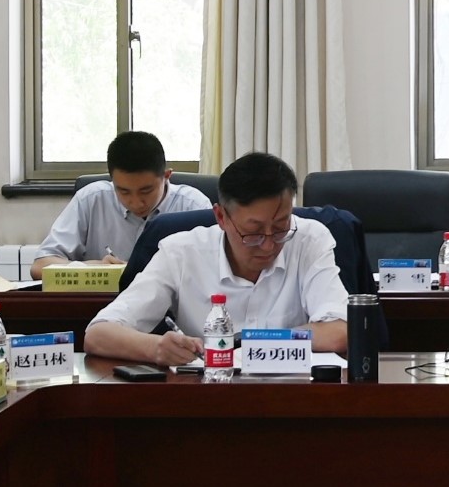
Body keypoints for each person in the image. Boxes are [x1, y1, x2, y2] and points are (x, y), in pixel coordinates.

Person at [85, 152, 351, 366]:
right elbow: (98, 334)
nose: (269, 244)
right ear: (221, 217)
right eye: (253, 232)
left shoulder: (308, 239)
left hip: (293, 396)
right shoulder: (181, 252)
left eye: (281, 228)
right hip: (207, 396)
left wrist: (255, 342)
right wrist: (156, 348)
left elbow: (340, 330)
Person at [41, 130, 211, 267]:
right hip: (106, 299)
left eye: (146, 191)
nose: (136, 203)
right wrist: (94, 267)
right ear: (112, 180)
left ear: (166, 176)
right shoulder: (91, 200)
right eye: (124, 191)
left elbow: (214, 267)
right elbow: (41, 264)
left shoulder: (194, 206)